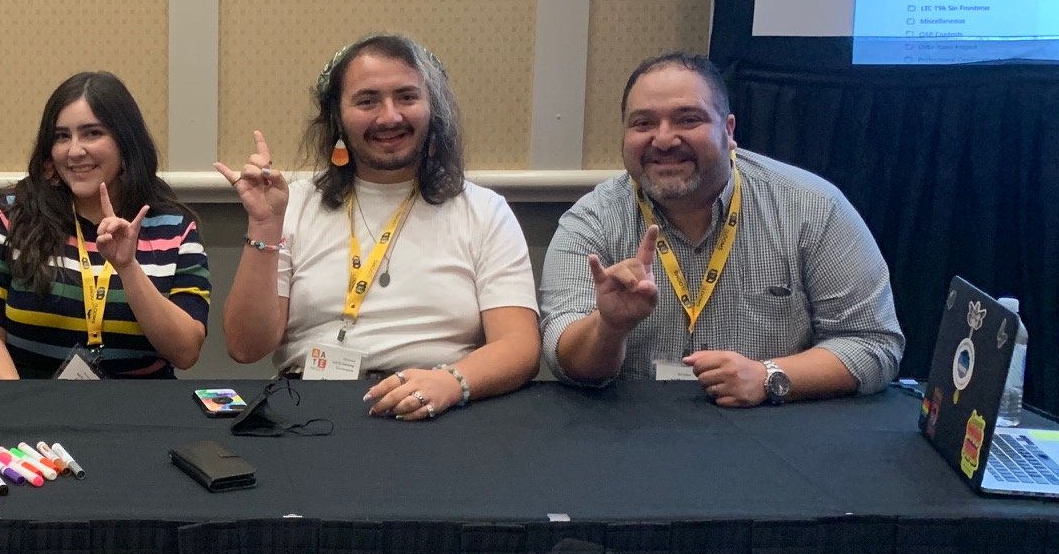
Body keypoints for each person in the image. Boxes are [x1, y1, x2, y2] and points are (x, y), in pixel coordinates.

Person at [540, 51, 903, 405]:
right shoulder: (591, 220)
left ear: (728, 130)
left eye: (688, 119)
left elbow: (872, 342)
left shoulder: (813, 207)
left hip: (772, 431)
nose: (664, 140)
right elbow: (566, 362)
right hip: (633, 433)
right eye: (643, 123)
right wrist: (609, 327)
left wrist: (769, 376)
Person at [215, 33, 540, 417]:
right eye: (367, 100)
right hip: (311, 410)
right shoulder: (295, 205)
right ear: (337, 116)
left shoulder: (485, 211)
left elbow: (519, 346)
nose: (390, 116)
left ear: (432, 108)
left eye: (406, 96)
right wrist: (265, 226)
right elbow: (245, 347)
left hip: (439, 408)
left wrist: (452, 382)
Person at [0, 72, 209, 378]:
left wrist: (128, 267)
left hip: (138, 414)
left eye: (92, 133)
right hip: (24, 404)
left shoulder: (174, 226)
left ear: (126, 143)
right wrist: (21, 411)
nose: (75, 151)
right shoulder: (10, 215)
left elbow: (185, 352)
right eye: (62, 136)